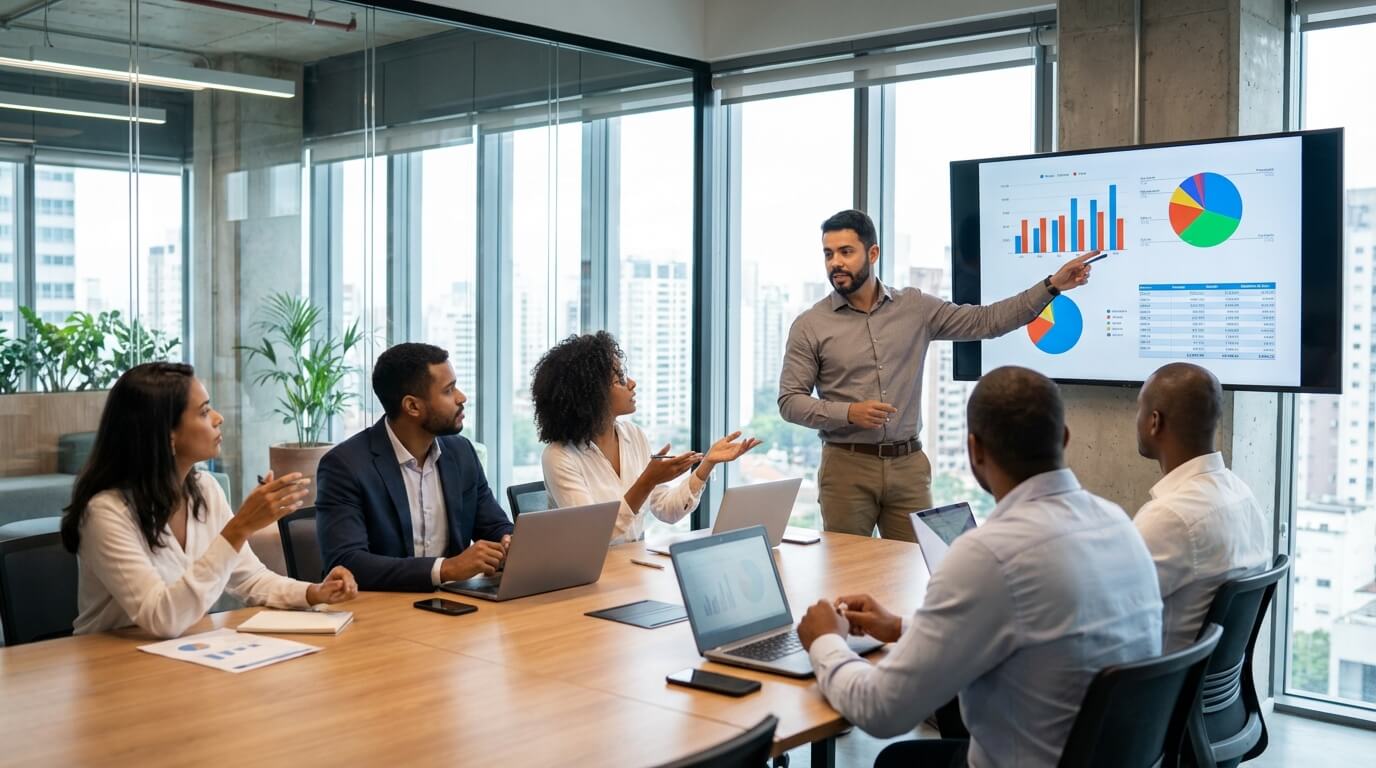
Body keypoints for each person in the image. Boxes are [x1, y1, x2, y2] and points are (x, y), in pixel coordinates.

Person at [796, 366, 1162, 767]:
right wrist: (902, 628)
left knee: (896, 761)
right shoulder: (1119, 523)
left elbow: (881, 712)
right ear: (1065, 437)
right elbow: (1036, 632)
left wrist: (825, 641)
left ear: (975, 450)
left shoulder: (990, 554)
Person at [778, 209, 1101, 540]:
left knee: (918, 568)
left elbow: (986, 321)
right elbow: (790, 401)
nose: (836, 263)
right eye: (828, 254)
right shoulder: (810, 325)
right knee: (846, 571)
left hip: (909, 466)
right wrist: (849, 413)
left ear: (872, 253)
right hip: (846, 466)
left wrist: (1051, 286)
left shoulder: (914, 308)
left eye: (846, 252)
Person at [62, 362, 357, 639]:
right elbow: (161, 618)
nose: (218, 418)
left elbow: (249, 578)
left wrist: (314, 592)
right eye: (204, 412)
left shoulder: (204, 488)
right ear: (168, 435)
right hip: (111, 666)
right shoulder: (106, 512)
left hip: (179, 654)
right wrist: (239, 528)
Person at [315, 343, 513, 592]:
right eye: (449, 390)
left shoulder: (461, 452)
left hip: (455, 608)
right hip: (382, 614)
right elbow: (347, 561)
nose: (462, 397)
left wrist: (509, 541)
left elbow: (493, 526)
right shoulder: (345, 466)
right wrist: (445, 569)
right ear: (412, 406)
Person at [533, 332, 761, 544]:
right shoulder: (559, 456)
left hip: (632, 567)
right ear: (591, 393)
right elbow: (592, 536)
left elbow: (666, 509)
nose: (632, 383)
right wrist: (646, 481)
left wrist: (706, 465)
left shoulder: (633, 435)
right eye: (620, 379)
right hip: (587, 577)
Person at [1134, 362, 1270, 651]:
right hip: (1207, 691)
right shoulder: (1244, 497)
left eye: (1139, 409)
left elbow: (1104, 611)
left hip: (1158, 692)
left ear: (1154, 422)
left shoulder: (1168, 517)